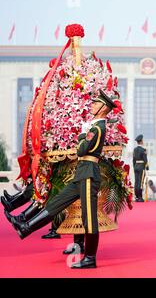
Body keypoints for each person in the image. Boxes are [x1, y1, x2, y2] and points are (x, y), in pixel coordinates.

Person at [11, 89, 116, 269]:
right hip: (82, 173)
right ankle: (26, 226)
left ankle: (90, 257)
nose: (92, 105)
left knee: (88, 218)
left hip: (89, 174)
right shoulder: (94, 127)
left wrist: (83, 135)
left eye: (96, 103)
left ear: (104, 108)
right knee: (58, 201)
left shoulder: (97, 127)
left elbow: (81, 150)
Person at [133, 134, 148, 202]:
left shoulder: (135, 149)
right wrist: (147, 167)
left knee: (136, 181)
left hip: (136, 166)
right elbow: (145, 160)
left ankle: (136, 197)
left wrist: (134, 166)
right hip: (141, 166)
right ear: (141, 141)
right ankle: (140, 197)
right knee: (141, 182)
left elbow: (133, 160)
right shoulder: (143, 149)